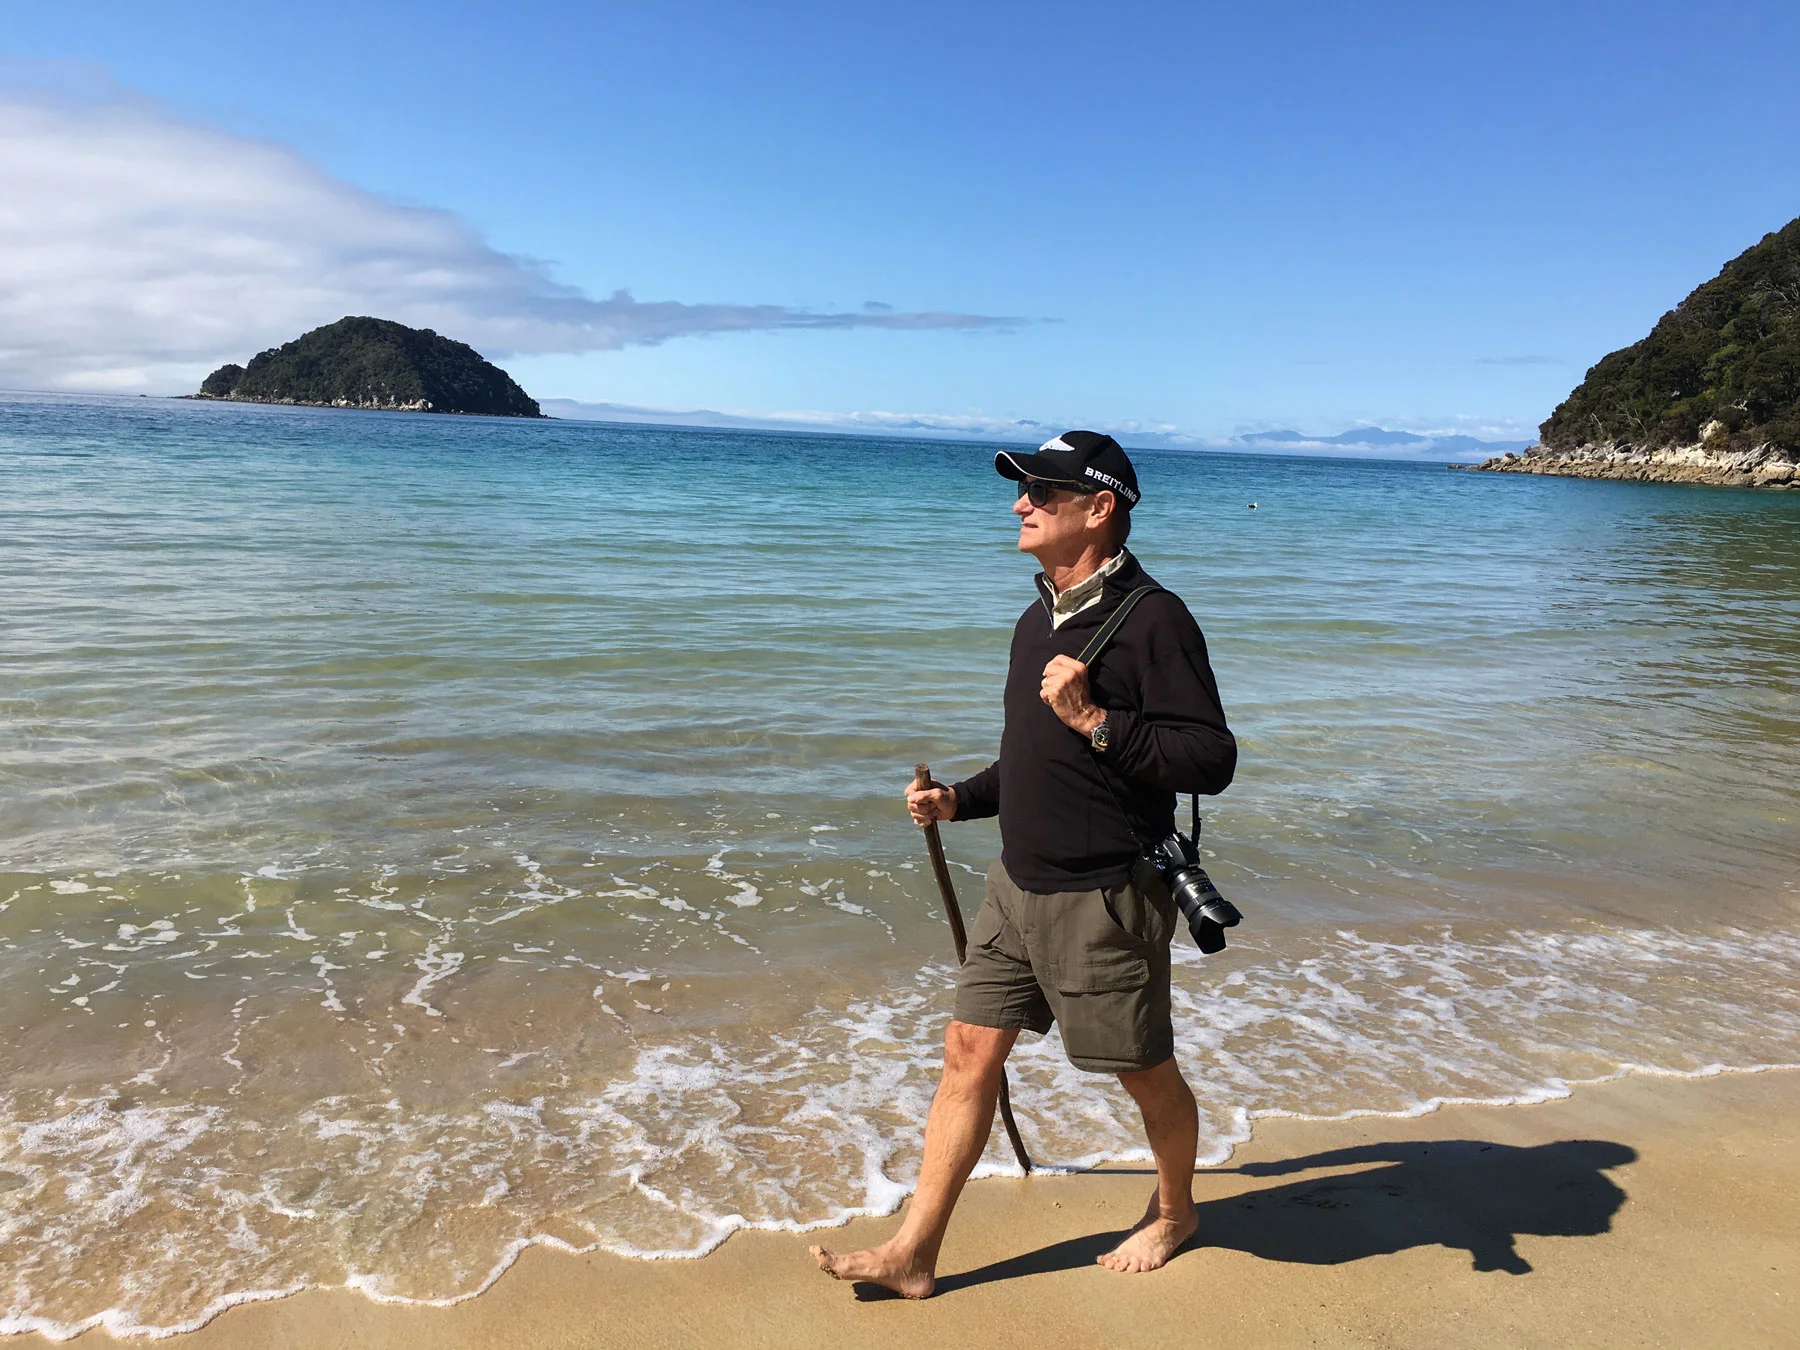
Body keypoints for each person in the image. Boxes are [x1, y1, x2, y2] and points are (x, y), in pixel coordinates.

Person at [811, 430, 1237, 1298]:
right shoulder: (1036, 618)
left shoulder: (1156, 619)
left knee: (1142, 1071)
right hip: (1014, 885)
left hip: (1103, 896)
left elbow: (1210, 759)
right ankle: (914, 1251)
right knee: (967, 1051)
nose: (1020, 504)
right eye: (1023, 490)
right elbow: (1031, 760)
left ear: (1099, 508)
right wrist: (959, 801)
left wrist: (1097, 721)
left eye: (1042, 492)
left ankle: (1175, 1211)